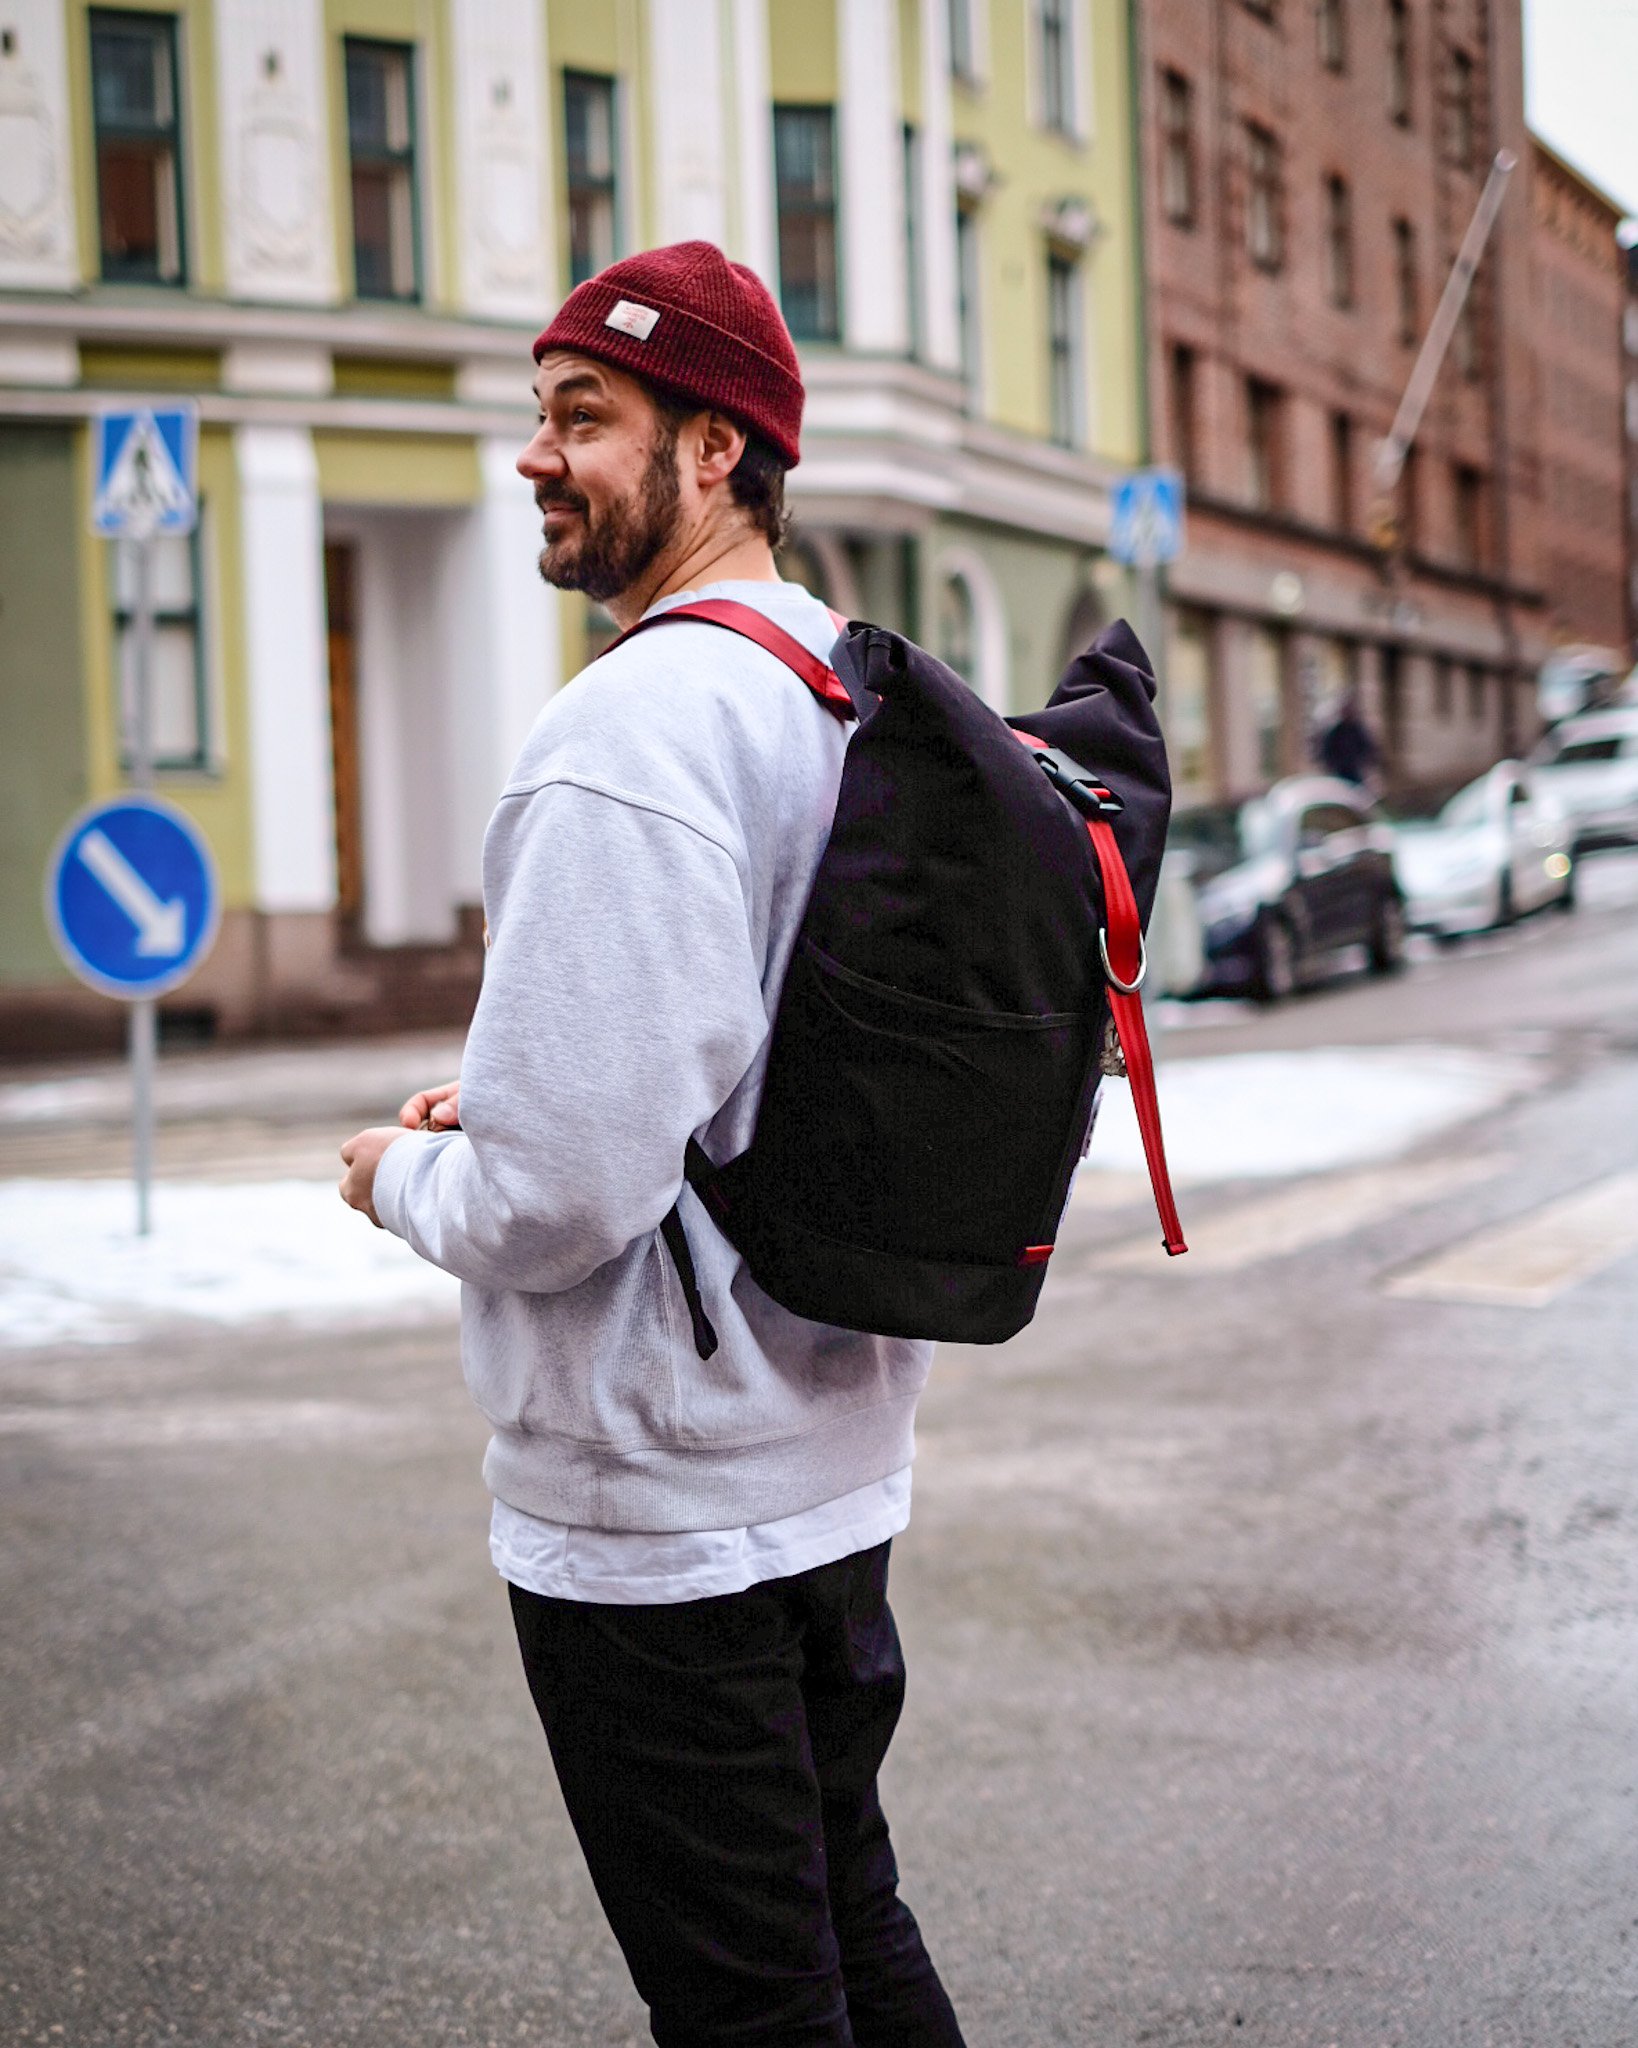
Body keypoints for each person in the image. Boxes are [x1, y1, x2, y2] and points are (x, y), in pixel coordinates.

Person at [338, 241, 965, 2048]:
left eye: (584, 416)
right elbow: (737, 1064)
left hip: (658, 1519)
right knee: (848, 1915)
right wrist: (537, 1101)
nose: (538, 453)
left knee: (750, 2000)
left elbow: (557, 1202)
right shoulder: (832, 687)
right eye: (535, 413)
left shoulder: (624, 731)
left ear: (715, 450)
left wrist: (398, 1176)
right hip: (827, 1457)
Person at [1316, 690, 1382, 788]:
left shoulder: (1357, 730)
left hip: (1355, 770)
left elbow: (1367, 747)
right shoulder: (1335, 731)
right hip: (1339, 770)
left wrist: (1365, 762)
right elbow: (1326, 751)